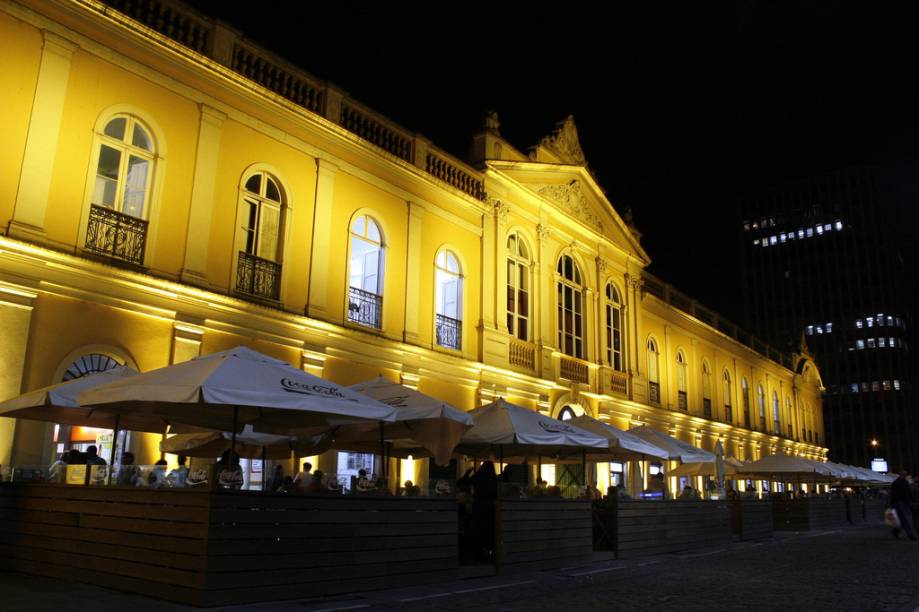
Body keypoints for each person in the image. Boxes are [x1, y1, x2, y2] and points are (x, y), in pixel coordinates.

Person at [889, 469, 917, 540]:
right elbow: (894, 494)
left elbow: (908, 492)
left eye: (905, 474)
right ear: (901, 474)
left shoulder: (902, 482)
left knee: (902, 519)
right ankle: (910, 535)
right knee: (905, 519)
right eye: (904, 474)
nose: (905, 475)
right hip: (899, 502)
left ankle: (895, 531)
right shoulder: (897, 483)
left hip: (902, 502)